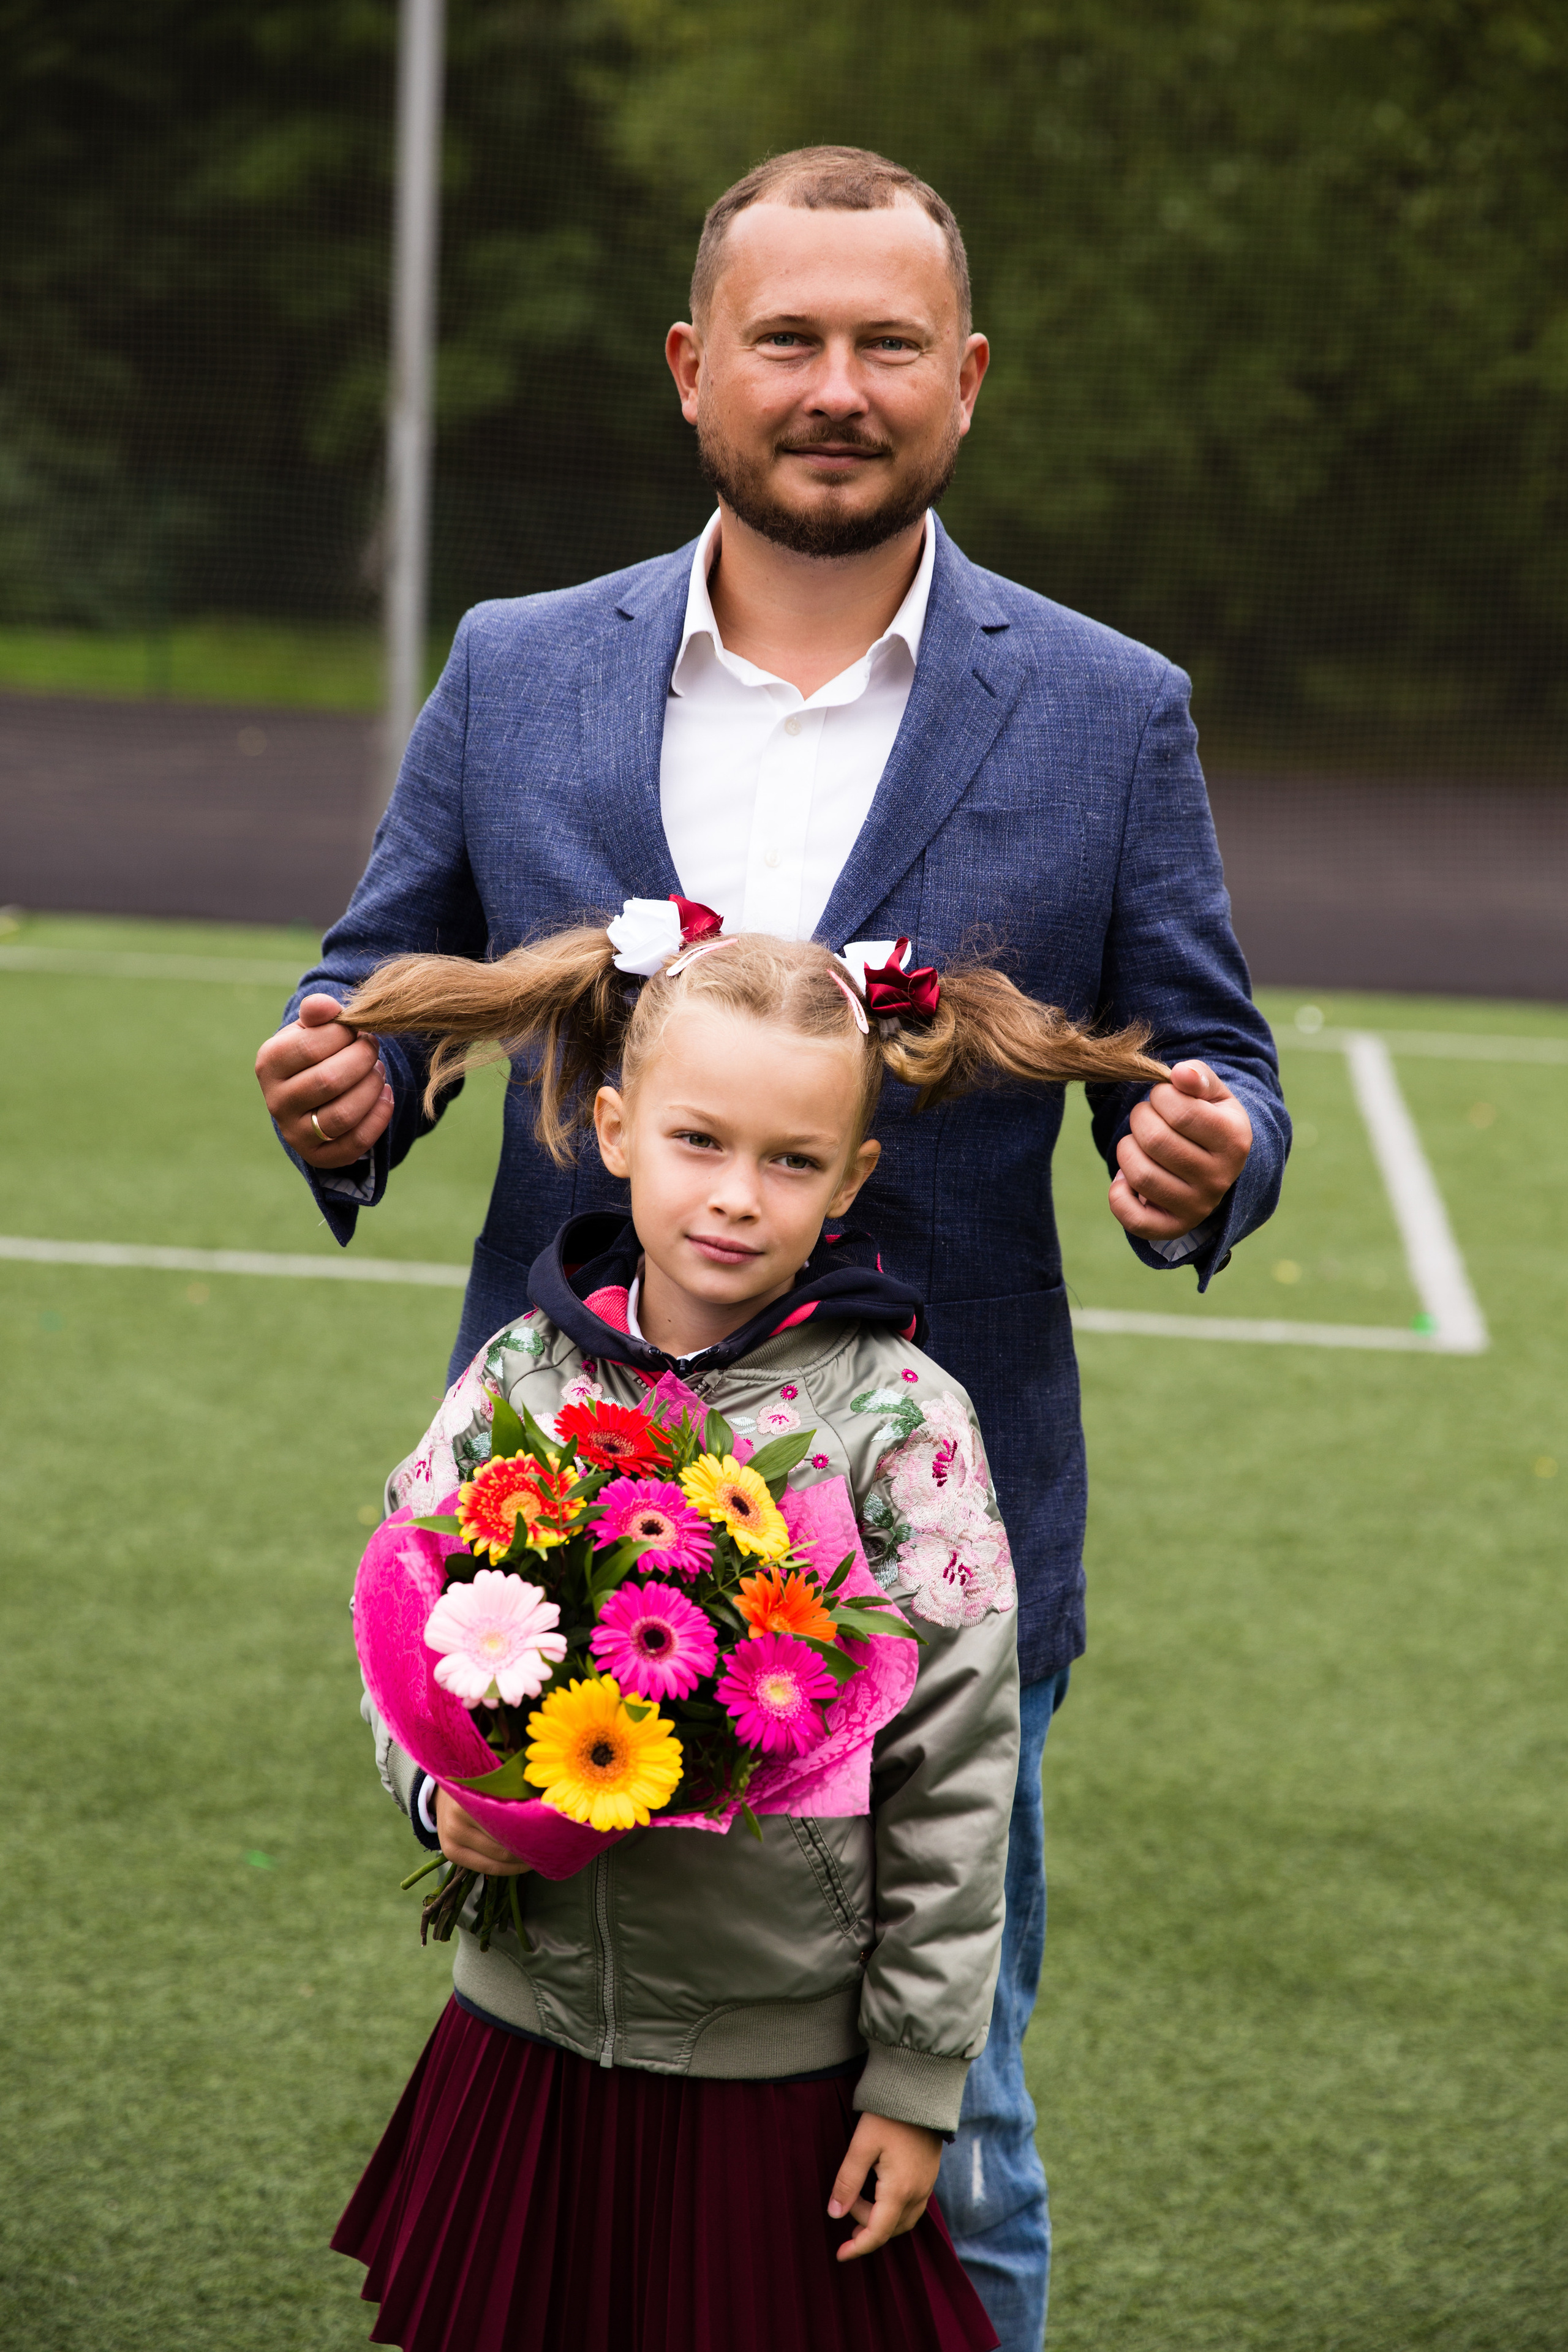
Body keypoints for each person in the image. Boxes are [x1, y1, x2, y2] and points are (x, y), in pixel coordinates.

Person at [257, 148, 1288, 2350]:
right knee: (577, 2104)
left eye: (888, 343)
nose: (839, 386)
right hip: (568, 1539)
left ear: (969, 379)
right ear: (692, 369)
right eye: (789, 339)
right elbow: (378, 978)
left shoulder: (1110, 705)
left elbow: (1206, 1054)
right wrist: (348, 1085)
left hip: (925, 1550)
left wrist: (1209, 1153)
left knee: (947, 2134)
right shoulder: (520, 665)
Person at [331, 921, 1169, 2352]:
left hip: (774, 2065)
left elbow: (957, 1790)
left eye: (790, 1161)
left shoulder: (906, 1426)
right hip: (523, 2026)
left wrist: (914, 2083)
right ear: (613, 1132)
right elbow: (410, 1621)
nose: (734, 1197)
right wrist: (439, 1791)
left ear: (851, 1180)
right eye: (698, 1142)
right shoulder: (520, 1376)